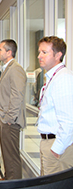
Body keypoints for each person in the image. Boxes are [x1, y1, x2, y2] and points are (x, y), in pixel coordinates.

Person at [37, 36, 73, 176]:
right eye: (39, 52)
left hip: (57, 146)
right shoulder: (53, 77)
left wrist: (57, 149)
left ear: (58, 55)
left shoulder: (63, 78)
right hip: (49, 143)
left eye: (44, 52)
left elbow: (69, 120)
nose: (39, 56)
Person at [0, 39, 27, 181]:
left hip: (10, 121)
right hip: (5, 118)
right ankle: (8, 179)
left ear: (9, 52)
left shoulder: (16, 69)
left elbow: (17, 96)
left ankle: (13, 183)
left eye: (0, 49)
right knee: (6, 152)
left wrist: (9, 118)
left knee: (12, 155)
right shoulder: (7, 68)